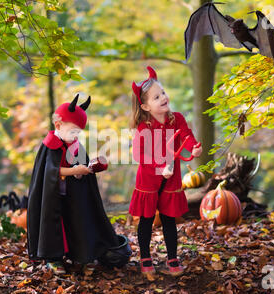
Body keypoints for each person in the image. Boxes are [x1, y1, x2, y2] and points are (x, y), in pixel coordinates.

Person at [27, 94, 119, 274]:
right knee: (54, 225)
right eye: (72, 131)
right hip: (52, 195)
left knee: (77, 221)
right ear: (58, 125)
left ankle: (81, 256)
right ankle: (53, 259)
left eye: (78, 132)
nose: (75, 135)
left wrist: (86, 169)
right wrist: (74, 171)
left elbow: (79, 167)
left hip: (71, 194)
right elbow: (51, 172)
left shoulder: (76, 145)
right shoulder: (50, 145)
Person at [129, 66, 202, 276]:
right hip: (149, 178)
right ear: (145, 106)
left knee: (169, 218)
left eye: (162, 93)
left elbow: (186, 136)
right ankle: (145, 257)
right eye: (156, 97)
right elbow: (139, 155)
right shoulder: (144, 129)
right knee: (146, 218)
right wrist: (159, 168)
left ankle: (172, 257)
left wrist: (195, 147)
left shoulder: (176, 119)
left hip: (171, 179)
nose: (163, 98)